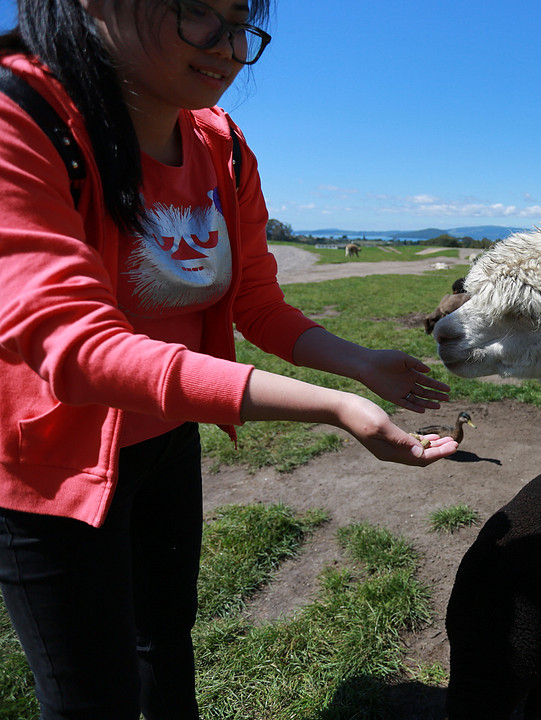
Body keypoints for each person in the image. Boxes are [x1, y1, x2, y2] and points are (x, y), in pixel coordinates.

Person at [0, 0, 458, 716]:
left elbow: (256, 303)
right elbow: (79, 348)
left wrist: (360, 364)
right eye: (198, 12)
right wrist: (335, 409)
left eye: (243, 22)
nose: (231, 46)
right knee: (93, 694)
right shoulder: (21, 116)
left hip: (166, 439)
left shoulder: (223, 145)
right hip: (46, 471)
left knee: (165, 643)